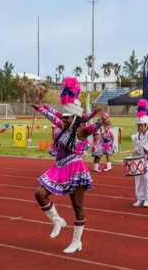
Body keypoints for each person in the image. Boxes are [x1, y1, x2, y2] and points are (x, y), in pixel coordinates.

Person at [32, 77, 108, 254]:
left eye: (67, 117)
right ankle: (57, 220)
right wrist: (39, 103)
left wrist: (102, 120)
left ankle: (76, 241)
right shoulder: (62, 125)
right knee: (39, 193)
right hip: (59, 167)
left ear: (75, 117)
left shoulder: (81, 131)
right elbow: (49, 114)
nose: (63, 119)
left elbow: (93, 127)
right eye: (63, 117)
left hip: (75, 169)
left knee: (77, 207)